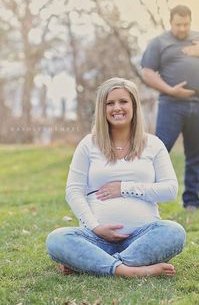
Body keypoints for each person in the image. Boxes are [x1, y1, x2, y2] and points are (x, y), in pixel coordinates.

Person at [46, 77, 186, 277]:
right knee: (57, 239)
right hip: (96, 239)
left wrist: (124, 187)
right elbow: (73, 191)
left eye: (123, 101)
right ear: (102, 109)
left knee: (174, 232)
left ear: (134, 106)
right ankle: (131, 270)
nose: (116, 108)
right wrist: (95, 227)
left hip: (142, 237)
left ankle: (94, 263)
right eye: (109, 103)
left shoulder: (153, 144)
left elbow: (170, 189)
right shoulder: (88, 144)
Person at [141, 5, 199, 211]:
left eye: (186, 24)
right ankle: (146, 197)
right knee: (158, 150)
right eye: (178, 25)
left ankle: (191, 202)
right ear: (170, 22)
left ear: (191, 20)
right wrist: (170, 90)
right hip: (171, 105)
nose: (182, 29)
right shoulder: (159, 42)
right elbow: (147, 72)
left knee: (196, 155)